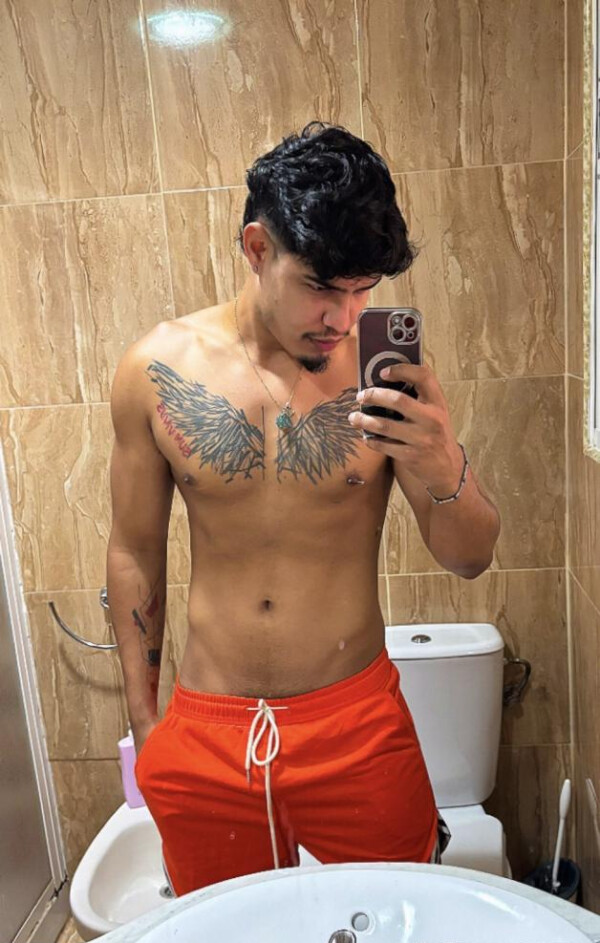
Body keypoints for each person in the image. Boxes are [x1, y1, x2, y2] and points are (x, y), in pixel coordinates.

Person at [107, 121, 501, 897]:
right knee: (230, 929)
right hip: (208, 729)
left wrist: (442, 460)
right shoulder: (155, 369)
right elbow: (132, 551)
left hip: (357, 724)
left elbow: (470, 557)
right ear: (258, 248)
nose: (344, 318)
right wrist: (146, 723)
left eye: (363, 290)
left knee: (401, 917)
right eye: (323, 287)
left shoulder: (384, 375)